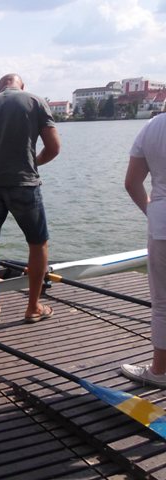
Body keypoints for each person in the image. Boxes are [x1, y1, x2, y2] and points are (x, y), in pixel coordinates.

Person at [0, 73, 61, 323]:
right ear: (22, 86)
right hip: (24, 185)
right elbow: (54, 148)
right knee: (37, 244)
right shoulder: (35, 102)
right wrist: (32, 163)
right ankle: (33, 307)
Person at [120, 113, 166, 388]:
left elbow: (132, 182)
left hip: (163, 223)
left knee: (163, 303)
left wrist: (153, 213)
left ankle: (159, 371)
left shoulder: (154, 126)